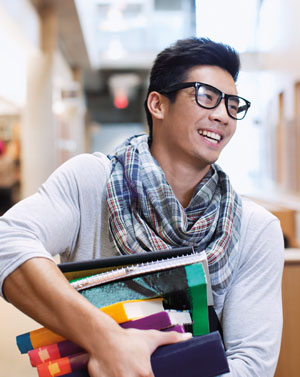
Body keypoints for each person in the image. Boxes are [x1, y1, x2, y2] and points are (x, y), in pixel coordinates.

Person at [0, 37, 284, 377]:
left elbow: (251, 365)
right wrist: (106, 340)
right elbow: (8, 240)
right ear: (158, 105)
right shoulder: (91, 182)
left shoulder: (254, 229)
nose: (223, 115)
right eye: (207, 97)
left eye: (233, 105)